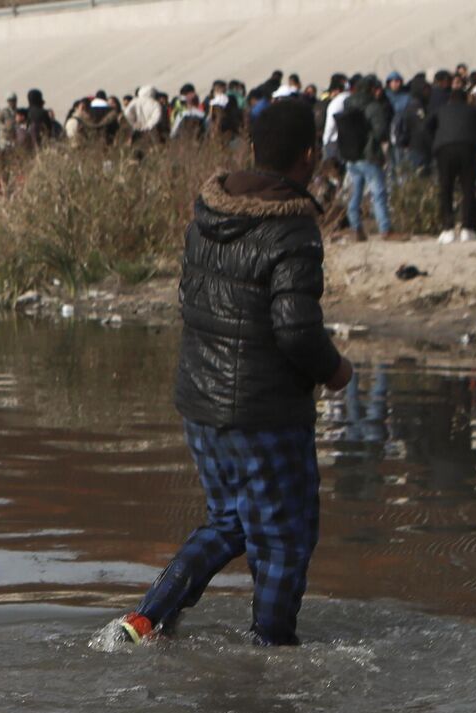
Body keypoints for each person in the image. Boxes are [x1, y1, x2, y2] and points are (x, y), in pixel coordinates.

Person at [113, 100, 355, 647]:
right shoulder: (293, 228)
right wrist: (334, 369)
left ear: (250, 149)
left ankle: (146, 620)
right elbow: (295, 329)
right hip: (263, 412)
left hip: (199, 402)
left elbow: (191, 300)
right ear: (310, 156)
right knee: (286, 539)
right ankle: (272, 654)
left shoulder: (208, 216)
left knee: (230, 522)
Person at [336, 77, 399, 241]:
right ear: (372, 89)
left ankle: (356, 228)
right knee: (378, 193)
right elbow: (380, 132)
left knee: (355, 194)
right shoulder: (373, 106)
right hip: (369, 155)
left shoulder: (348, 103)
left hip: (351, 155)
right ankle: (385, 229)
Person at [427, 87, 476, 242]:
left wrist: (437, 140)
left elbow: (426, 126)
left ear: (450, 99)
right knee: (468, 189)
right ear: (466, 98)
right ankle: (468, 228)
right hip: (467, 148)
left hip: (444, 149)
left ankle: (448, 229)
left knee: (446, 188)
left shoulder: (441, 110)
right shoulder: (474, 110)